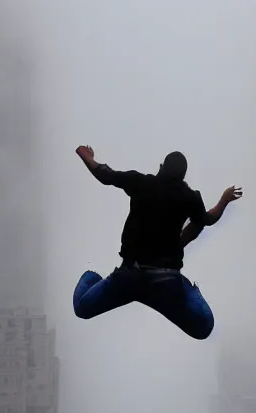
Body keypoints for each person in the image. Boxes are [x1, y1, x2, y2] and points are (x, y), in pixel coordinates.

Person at [73, 145, 242, 339]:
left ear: (161, 167)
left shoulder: (141, 182)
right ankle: (189, 290)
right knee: (203, 328)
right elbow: (206, 220)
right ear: (182, 177)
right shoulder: (189, 197)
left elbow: (106, 175)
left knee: (82, 308)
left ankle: (91, 277)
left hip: (130, 276)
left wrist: (87, 157)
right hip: (165, 282)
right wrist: (224, 200)